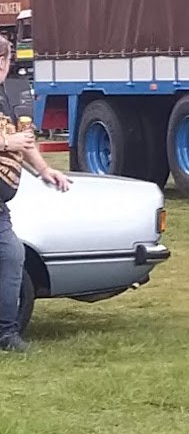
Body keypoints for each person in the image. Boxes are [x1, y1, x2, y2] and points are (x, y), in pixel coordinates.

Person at [0, 35, 70, 354]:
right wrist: (6, 143)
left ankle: (6, 333)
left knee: (11, 255)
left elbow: (24, 141)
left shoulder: (9, 95)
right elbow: (12, 141)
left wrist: (44, 170)